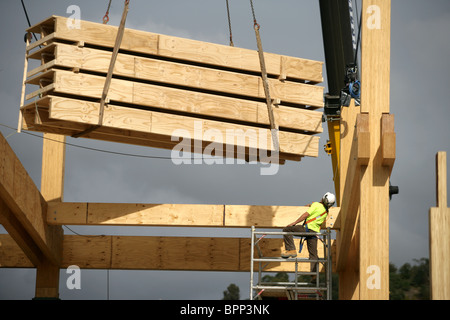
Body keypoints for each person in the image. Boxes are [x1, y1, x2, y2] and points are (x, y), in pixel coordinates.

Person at [281, 192, 336, 275]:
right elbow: (318, 211)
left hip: (306, 229)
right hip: (314, 234)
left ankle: (291, 250)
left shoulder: (317, 205)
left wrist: (295, 222)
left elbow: (306, 215)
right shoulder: (326, 212)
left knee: (286, 230)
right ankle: (314, 276)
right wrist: (311, 205)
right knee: (313, 255)